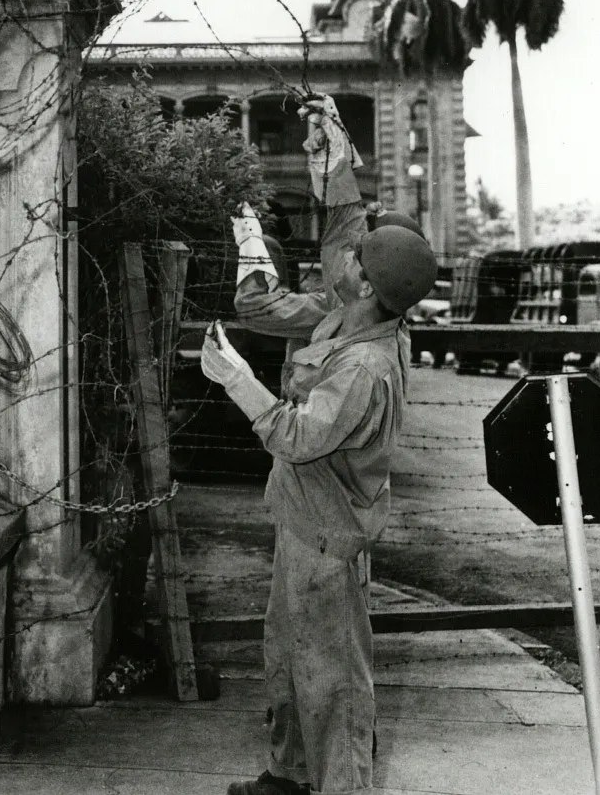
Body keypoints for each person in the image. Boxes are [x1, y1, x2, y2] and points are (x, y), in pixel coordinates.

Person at [200, 95, 438, 795]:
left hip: (328, 539)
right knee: (288, 657)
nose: (347, 257)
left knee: (334, 681)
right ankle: (290, 775)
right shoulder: (352, 312)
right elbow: (341, 231)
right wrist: (332, 155)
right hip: (303, 523)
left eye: (360, 258)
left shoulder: (365, 366)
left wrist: (237, 380)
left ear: (368, 281)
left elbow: (298, 436)